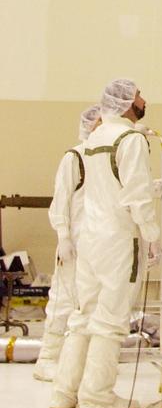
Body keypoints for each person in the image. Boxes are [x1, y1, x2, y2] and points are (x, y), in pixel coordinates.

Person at [50, 80, 161, 408]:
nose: (144, 98)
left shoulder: (94, 139)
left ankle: (64, 393)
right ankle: (97, 396)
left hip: (90, 240)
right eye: (139, 93)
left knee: (83, 317)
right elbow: (136, 195)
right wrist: (152, 235)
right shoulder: (130, 140)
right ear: (128, 103)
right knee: (110, 320)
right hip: (118, 240)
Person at [33, 105, 102, 382]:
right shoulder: (75, 158)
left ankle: (77, 360)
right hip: (74, 245)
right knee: (63, 300)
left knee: (90, 304)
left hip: (98, 246)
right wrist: (63, 237)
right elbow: (60, 201)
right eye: (99, 122)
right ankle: (47, 359)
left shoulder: (106, 159)